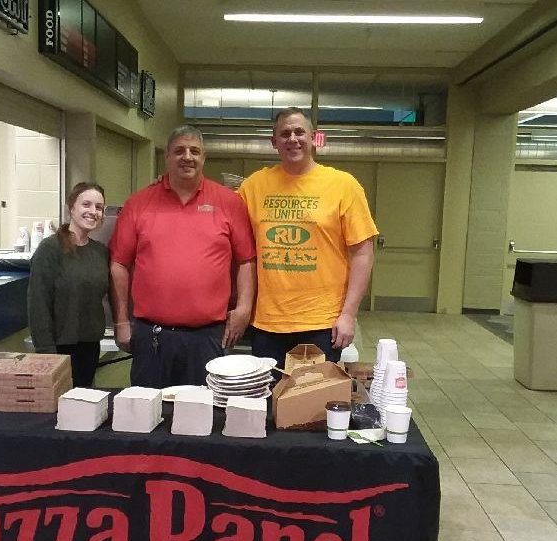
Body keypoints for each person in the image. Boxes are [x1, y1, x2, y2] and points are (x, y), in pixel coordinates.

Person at [109, 125, 256, 388]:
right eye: (179, 151)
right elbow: (119, 263)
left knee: (202, 418)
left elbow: (246, 260)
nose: (187, 157)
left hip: (208, 337)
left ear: (203, 157)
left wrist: (244, 308)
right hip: (151, 335)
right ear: (167, 156)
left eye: (194, 151)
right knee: (146, 418)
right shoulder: (139, 203)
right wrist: (121, 320)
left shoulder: (228, 202)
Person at [238, 107, 378, 367]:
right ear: (274, 142)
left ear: (314, 137)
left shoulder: (343, 185)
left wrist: (348, 315)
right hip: (268, 323)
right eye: (285, 133)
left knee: (313, 404)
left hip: (321, 322)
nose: (293, 139)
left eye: (300, 132)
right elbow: (224, 229)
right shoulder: (253, 186)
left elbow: (363, 252)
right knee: (267, 403)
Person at [27, 182, 109, 387]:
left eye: (98, 207)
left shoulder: (100, 252)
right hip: (57, 349)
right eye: (86, 205)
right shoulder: (50, 250)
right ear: (71, 207)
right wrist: (47, 355)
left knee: (83, 408)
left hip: (90, 347)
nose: (93, 211)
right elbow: (38, 304)